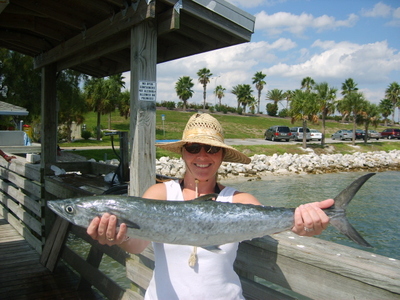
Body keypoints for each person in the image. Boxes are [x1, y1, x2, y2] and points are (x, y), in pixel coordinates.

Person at [87, 113, 333, 300]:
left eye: (212, 149)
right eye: (193, 148)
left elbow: (279, 224)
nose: (202, 156)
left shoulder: (240, 200)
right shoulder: (159, 194)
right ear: (183, 153)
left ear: (222, 155)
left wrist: (303, 221)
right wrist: (116, 237)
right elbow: (137, 244)